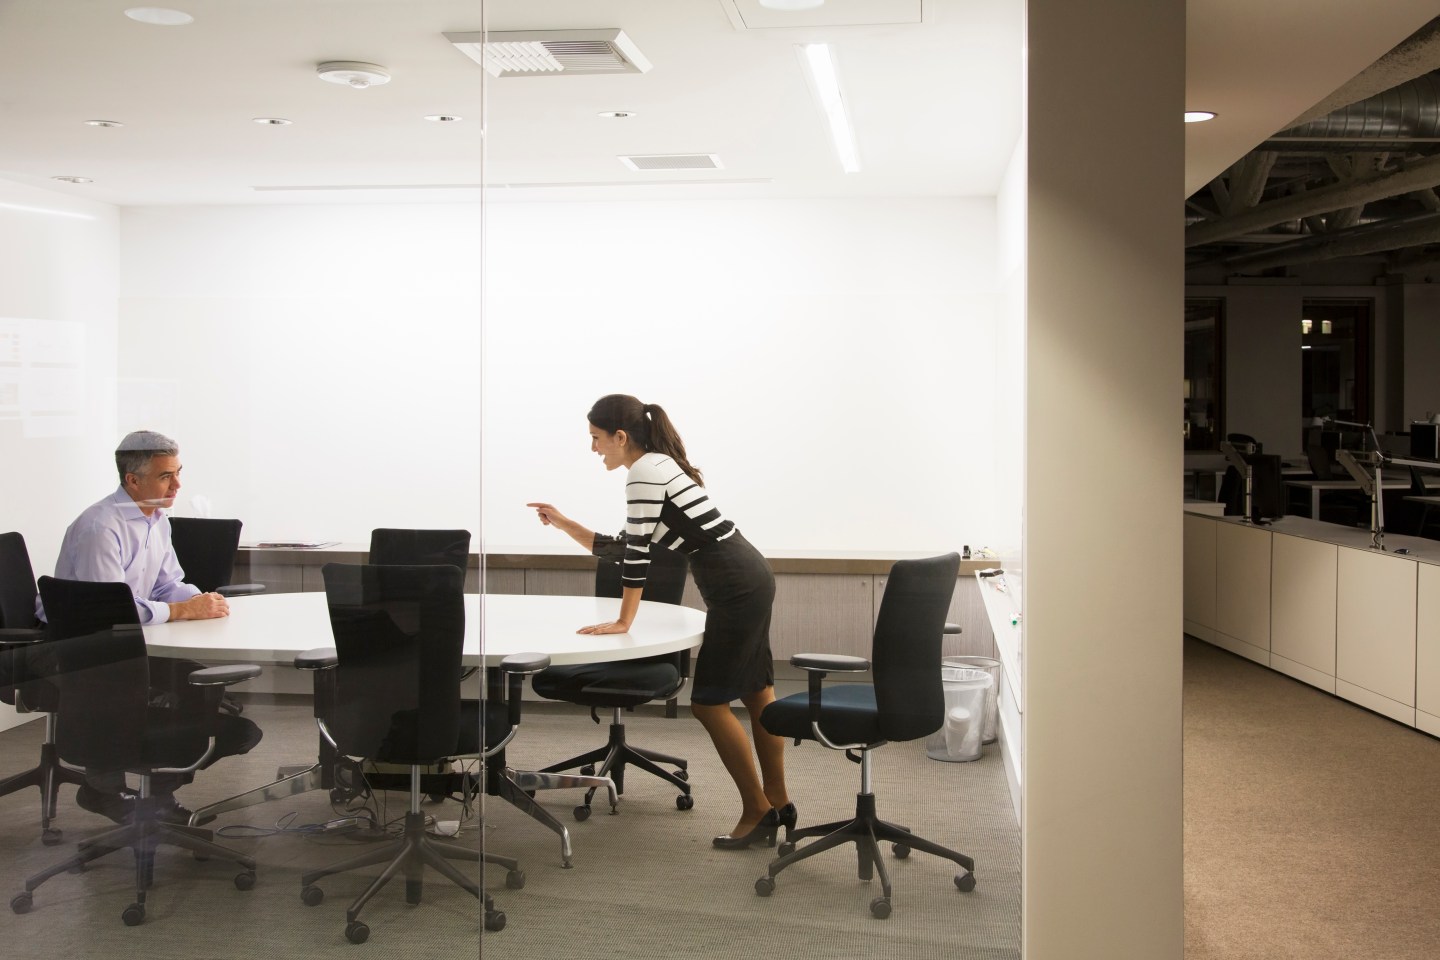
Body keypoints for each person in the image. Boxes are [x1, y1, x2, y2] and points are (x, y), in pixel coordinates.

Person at [528, 394, 793, 849]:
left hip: (735, 583)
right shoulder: (658, 465)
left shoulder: (643, 472)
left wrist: (622, 619)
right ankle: (778, 802)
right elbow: (626, 545)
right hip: (746, 572)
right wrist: (565, 523)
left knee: (709, 704)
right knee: (756, 691)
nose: (593, 449)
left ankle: (757, 809)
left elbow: (636, 556)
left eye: (595, 439)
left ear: (620, 437)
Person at [38, 430, 261, 824]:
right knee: (193, 694)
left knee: (201, 682)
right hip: (93, 655)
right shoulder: (99, 528)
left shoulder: (157, 519)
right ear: (133, 480)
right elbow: (109, 611)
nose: (177, 485)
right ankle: (103, 787)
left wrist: (201, 600)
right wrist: (180, 612)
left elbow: (166, 584)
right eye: (166, 476)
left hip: (130, 644)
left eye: (178, 473)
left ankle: (156, 794)